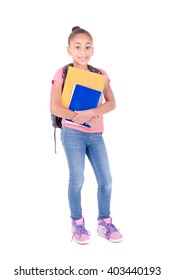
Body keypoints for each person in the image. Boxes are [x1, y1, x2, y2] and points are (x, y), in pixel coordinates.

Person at [50, 26, 123, 244]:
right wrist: (76, 116)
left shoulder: (100, 74)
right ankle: (78, 225)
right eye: (78, 47)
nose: (83, 51)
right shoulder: (62, 73)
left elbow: (111, 103)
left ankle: (104, 222)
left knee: (106, 180)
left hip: (96, 135)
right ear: (69, 50)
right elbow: (55, 107)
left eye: (87, 46)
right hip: (73, 134)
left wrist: (92, 112)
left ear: (93, 49)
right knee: (77, 179)